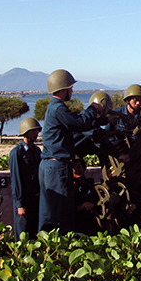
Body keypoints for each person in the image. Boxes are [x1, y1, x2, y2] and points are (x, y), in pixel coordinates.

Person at [38, 69, 103, 234]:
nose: (72, 91)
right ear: (63, 89)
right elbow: (79, 124)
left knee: (48, 216)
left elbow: (76, 124)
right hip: (57, 168)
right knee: (63, 216)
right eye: (70, 88)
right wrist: (93, 109)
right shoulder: (58, 108)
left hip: (48, 166)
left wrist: (103, 120)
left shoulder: (53, 108)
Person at [9, 117, 42, 240]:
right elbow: (16, 179)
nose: (36, 134)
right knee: (23, 235)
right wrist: (20, 204)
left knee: (35, 233)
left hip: (36, 199)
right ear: (26, 132)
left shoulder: (37, 151)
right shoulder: (16, 153)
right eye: (34, 131)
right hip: (25, 201)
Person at [72, 157, 99, 235]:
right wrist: (80, 207)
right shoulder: (68, 188)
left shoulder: (88, 184)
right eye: (75, 166)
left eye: (80, 165)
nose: (78, 168)